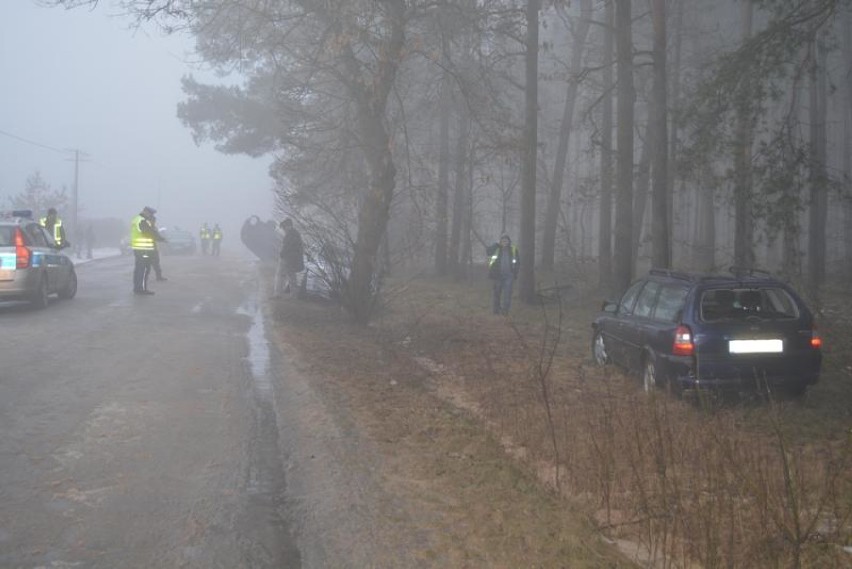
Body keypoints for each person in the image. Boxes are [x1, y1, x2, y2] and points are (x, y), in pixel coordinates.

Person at [130, 206, 166, 295]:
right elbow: (149, 232)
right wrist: (161, 239)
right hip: (143, 249)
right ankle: (140, 289)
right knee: (143, 269)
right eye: (150, 213)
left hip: (141, 249)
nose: (151, 215)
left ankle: (138, 288)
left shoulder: (139, 219)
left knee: (140, 269)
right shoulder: (141, 220)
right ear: (145, 212)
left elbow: (150, 231)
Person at [486, 233, 520, 315]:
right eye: (503, 240)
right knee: (497, 294)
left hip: (509, 276)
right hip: (498, 276)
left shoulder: (513, 249)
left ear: (509, 241)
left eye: (506, 240)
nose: (505, 242)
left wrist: (515, 273)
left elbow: (518, 262)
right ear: (500, 241)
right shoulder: (496, 249)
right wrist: (496, 244)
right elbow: (488, 251)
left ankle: (505, 312)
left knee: (507, 295)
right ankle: (496, 311)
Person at [273, 218, 304, 298]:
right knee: (291, 276)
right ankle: (293, 294)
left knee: (281, 275)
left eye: (284, 227)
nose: (283, 230)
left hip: (287, 258)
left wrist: (281, 254)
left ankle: (278, 294)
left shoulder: (291, 234)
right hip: (291, 258)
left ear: (288, 226)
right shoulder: (295, 233)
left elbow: (287, 247)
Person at [150, 214, 167, 281]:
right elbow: (156, 237)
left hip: (152, 248)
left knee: (156, 263)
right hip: (149, 248)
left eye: (154, 221)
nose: (154, 222)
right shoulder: (150, 227)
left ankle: (159, 277)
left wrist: (162, 239)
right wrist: (163, 239)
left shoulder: (153, 227)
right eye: (153, 220)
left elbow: (157, 237)